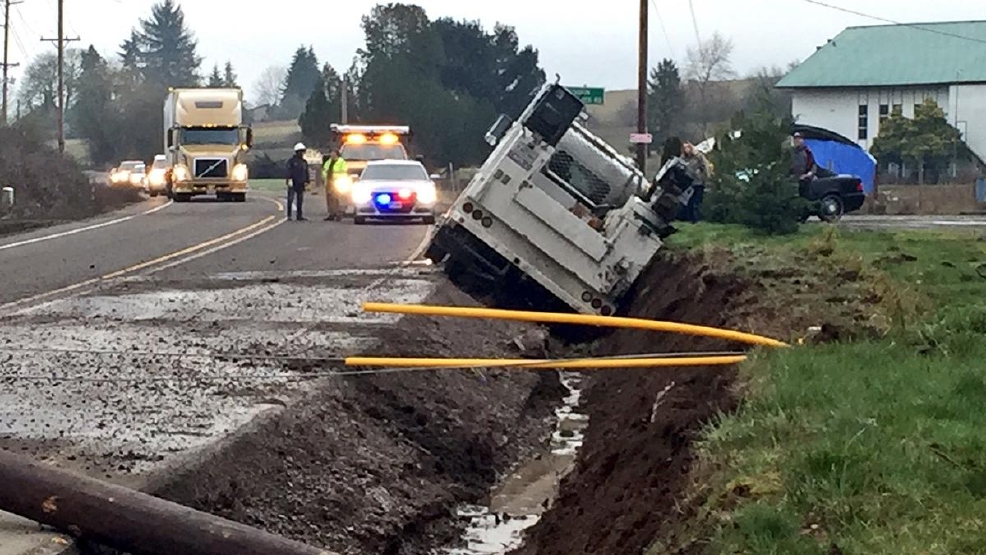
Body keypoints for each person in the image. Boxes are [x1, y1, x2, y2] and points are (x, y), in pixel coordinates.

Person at [681, 142, 712, 223]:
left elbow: (705, 168)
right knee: (689, 201)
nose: (685, 150)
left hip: (698, 182)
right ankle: (689, 218)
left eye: (687, 148)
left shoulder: (699, 157)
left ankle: (696, 219)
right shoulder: (684, 158)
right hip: (688, 183)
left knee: (696, 201)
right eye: (684, 148)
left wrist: (703, 177)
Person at [321, 148, 348, 221]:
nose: (331, 154)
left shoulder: (341, 162)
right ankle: (331, 214)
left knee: (337, 198)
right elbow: (324, 171)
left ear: (336, 154)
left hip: (338, 183)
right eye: (331, 153)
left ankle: (339, 213)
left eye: (333, 153)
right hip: (329, 182)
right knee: (329, 199)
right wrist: (324, 178)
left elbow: (344, 172)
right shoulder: (328, 162)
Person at [285, 142, 309, 221]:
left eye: (303, 151)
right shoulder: (291, 161)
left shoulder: (304, 162)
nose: (302, 153)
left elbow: (306, 172)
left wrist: (307, 181)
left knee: (300, 200)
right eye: (301, 151)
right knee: (290, 199)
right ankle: (289, 215)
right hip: (293, 182)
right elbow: (288, 171)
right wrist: (288, 179)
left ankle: (299, 215)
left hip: (301, 183)